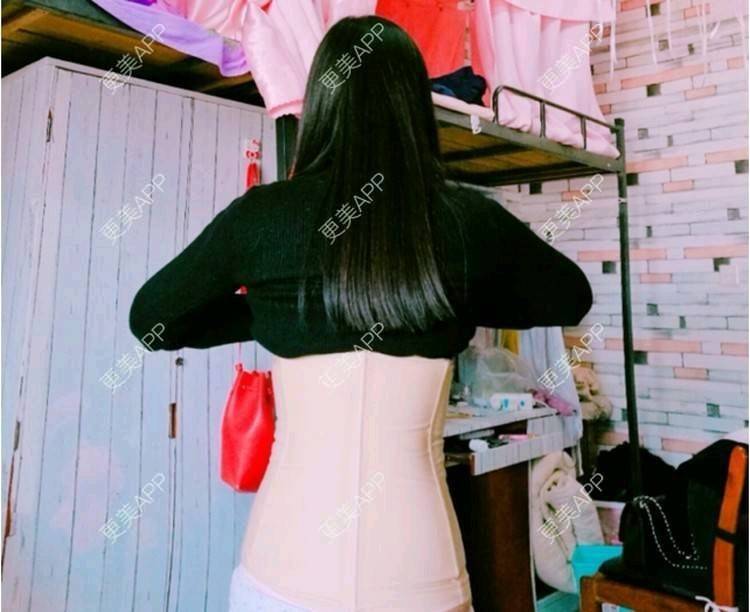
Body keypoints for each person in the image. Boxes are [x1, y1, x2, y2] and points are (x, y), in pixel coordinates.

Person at [129, 15, 592, 612]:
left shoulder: (263, 217)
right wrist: (441, 300)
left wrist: (273, 314)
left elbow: (153, 320)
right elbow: (569, 296)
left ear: (321, 102)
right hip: (421, 575)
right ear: (414, 106)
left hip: (281, 569)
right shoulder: (466, 220)